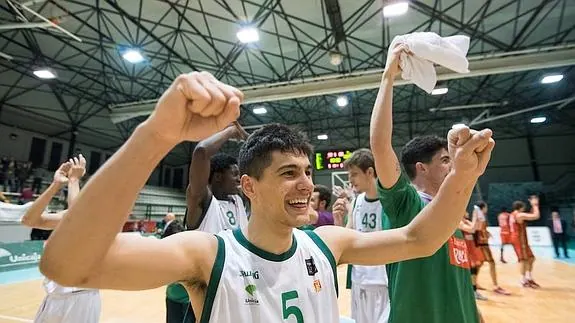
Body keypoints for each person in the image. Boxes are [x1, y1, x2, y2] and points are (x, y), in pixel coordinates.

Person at [39, 71, 494, 323]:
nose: (304, 185)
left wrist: (463, 178)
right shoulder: (207, 253)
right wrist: (155, 135)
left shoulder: (327, 242)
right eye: (287, 173)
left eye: (305, 172)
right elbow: (68, 266)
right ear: (249, 186)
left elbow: (421, 239)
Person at [368, 44, 492, 323]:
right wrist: (388, 76)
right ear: (422, 168)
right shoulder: (405, 203)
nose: (454, 164)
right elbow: (379, 144)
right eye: (446, 160)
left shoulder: (452, 213)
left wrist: (475, 312)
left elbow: (456, 275)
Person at [20, 155, 101, 323]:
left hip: (81, 297)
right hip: (53, 295)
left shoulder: (101, 215)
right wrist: (55, 185)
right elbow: (29, 220)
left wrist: (73, 180)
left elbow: (77, 219)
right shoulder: (68, 216)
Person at [332, 148, 390, 323]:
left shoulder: (389, 202)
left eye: (354, 174)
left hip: (382, 280)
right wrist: (338, 221)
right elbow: (349, 235)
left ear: (370, 172)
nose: (350, 180)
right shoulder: (357, 201)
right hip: (360, 279)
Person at [185, 125, 248, 231]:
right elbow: (202, 151)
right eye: (234, 174)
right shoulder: (202, 200)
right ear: (218, 177)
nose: (239, 179)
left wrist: (250, 140)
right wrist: (231, 131)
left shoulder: (238, 198)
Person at [473, 202, 510, 295]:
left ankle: (475, 283)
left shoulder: (478, 214)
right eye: (486, 207)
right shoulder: (478, 215)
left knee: (479, 264)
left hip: (480, 243)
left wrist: (487, 232)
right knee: (491, 263)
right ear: (483, 207)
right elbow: (477, 228)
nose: (487, 209)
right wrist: (484, 235)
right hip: (482, 244)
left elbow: (480, 229)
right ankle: (495, 286)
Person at [509, 196, 540, 288]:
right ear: (521, 207)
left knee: (531, 258)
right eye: (523, 208)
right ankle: (523, 280)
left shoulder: (513, 214)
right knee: (523, 260)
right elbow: (536, 216)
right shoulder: (519, 215)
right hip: (519, 239)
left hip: (521, 239)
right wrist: (535, 204)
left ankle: (528, 277)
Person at [459, 211, 486, 301]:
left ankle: (473, 291)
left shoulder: (466, 221)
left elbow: (476, 228)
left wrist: (479, 219)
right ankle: (468, 291)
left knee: (474, 269)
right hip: (463, 249)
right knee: (467, 271)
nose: (467, 212)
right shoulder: (459, 221)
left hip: (471, 249)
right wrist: (475, 217)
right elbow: (471, 229)